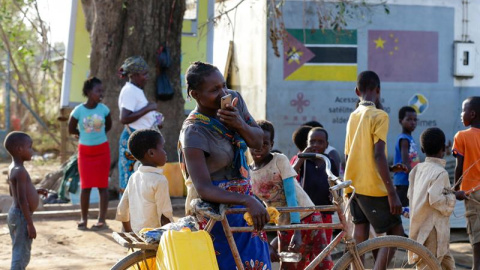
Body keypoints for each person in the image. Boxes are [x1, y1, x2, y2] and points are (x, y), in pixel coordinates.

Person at [178, 61, 271, 270]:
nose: (223, 93)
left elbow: (257, 142)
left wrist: (239, 124)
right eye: (214, 90)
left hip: (246, 211)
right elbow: (203, 188)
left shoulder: (235, 103)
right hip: (215, 216)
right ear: (195, 95)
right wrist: (247, 200)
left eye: (224, 85)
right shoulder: (194, 131)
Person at [249, 120, 333, 269]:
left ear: (272, 144)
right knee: (289, 266)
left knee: (321, 265)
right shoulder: (248, 172)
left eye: (265, 144)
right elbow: (255, 208)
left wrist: (297, 230)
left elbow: (291, 194)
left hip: (308, 217)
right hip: (283, 223)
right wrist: (266, 243)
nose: (259, 148)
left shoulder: (279, 160)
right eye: (255, 143)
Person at [344, 71, 405, 267]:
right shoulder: (380, 115)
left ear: (356, 91)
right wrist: (392, 192)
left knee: (360, 230)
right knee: (395, 233)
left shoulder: (353, 115)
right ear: (378, 90)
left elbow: (350, 155)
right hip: (373, 187)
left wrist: (388, 168)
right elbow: (378, 154)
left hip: (353, 185)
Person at [408, 127, 456, 269]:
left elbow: (411, 195)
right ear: (443, 149)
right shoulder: (441, 173)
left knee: (447, 263)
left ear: (422, 150)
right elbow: (435, 200)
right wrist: (453, 196)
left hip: (420, 226)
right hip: (433, 231)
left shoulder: (416, 169)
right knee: (429, 265)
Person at [68, 77, 112, 230]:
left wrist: (97, 137)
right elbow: (71, 128)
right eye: (97, 91)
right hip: (85, 153)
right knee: (85, 187)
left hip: (102, 151)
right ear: (88, 92)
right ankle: (84, 219)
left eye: (102, 91)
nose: (101, 93)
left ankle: (101, 220)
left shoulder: (104, 109)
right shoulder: (79, 110)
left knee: (102, 186)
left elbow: (109, 126)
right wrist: (82, 136)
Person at [117, 56, 163, 193]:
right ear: (134, 75)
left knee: (139, 182)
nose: (147, 77)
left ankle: (138, 213)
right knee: (130, 181)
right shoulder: (130, 91)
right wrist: (148, 108)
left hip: (140, 140)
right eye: (144, 74)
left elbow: (139, 116)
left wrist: (156, 121)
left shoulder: (136, 90)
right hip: (132, 141)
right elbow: (124, 118)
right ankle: (129, 214)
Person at [116, 129, 173, 233]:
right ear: (151, 153)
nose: (165, 152)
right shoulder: (160, 180)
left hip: (138, 235)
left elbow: (122, 209)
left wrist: (131, 234)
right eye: (162, 148)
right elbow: (165, 215)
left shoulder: (134, 177)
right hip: (155, 237)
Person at [5, 131, 48, 269]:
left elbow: (14, 193)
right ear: (19, 149)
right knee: (21, 253)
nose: (32, 151)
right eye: (30, 147)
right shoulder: (20, 171)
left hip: (16, 214)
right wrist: (30, 224)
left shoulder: (13, 168)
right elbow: (22, 200)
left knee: (19, 249)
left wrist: (34, 192)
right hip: (21, 217)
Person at [292, 127, 338, 244]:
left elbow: (336, 183)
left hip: (325, 211)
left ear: (326, 145)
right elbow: (291, 174)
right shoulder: (304, 160)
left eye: (320, 142)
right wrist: (302, 157)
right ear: (307, 143)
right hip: (307, 212)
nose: (316, 145)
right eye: (312, 142)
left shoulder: (329, 161)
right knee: (305, 246)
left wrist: (334, 196)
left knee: (323, 246)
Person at [452, 96, 480, 270]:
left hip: (473, 194)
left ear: (472, 113)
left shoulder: (461, 136)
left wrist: (455, 190)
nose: (461, 114)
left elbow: (458, 167)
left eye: (463, 110)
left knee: (477, 235)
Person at [393, 106, 420, 207]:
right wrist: (417, 178)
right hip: (404, 182)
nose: (412, 122)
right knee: (404, 210)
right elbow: (405, 164)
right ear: (401, 121)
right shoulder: (404, 139)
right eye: (408, 119)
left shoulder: (409, 138)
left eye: (414, 120)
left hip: (408, 180)